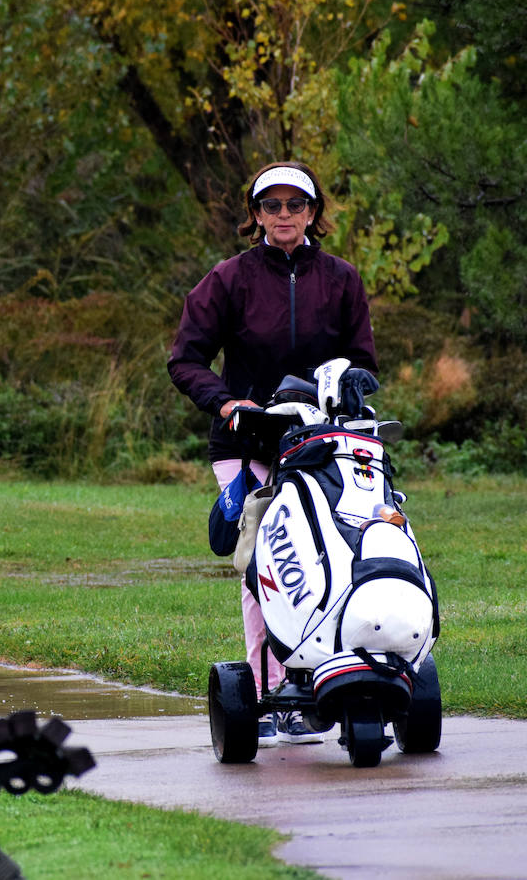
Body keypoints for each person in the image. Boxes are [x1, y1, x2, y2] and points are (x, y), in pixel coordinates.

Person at [168, 161, 377, 747]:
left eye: (295, 205)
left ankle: (334, 675)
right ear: (255, 214)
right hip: (247, 445)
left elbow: (363, 362)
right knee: (270, 563)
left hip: (324, 442)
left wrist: (349, 390)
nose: (283, 216)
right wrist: (226, 401)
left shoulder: (341, 279)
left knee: (338, 554)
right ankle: (271, 695)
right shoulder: (229, 279)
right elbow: (185, 359)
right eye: (271, 206)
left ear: (313, 212)